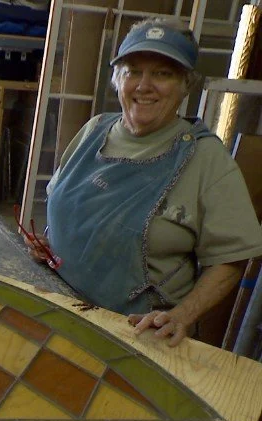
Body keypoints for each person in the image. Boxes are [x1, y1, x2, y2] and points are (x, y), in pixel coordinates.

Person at [26, 18, 262, 347]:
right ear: (117, 80)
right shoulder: (93, 130)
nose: (144, 85)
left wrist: (181, 315)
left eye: (162, 74)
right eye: (133, 71)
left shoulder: (205, 157)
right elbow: (68, 208)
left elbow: (231, 259)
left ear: (186, 84)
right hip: (60, 309)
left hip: (137, 335)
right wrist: (52, 245)